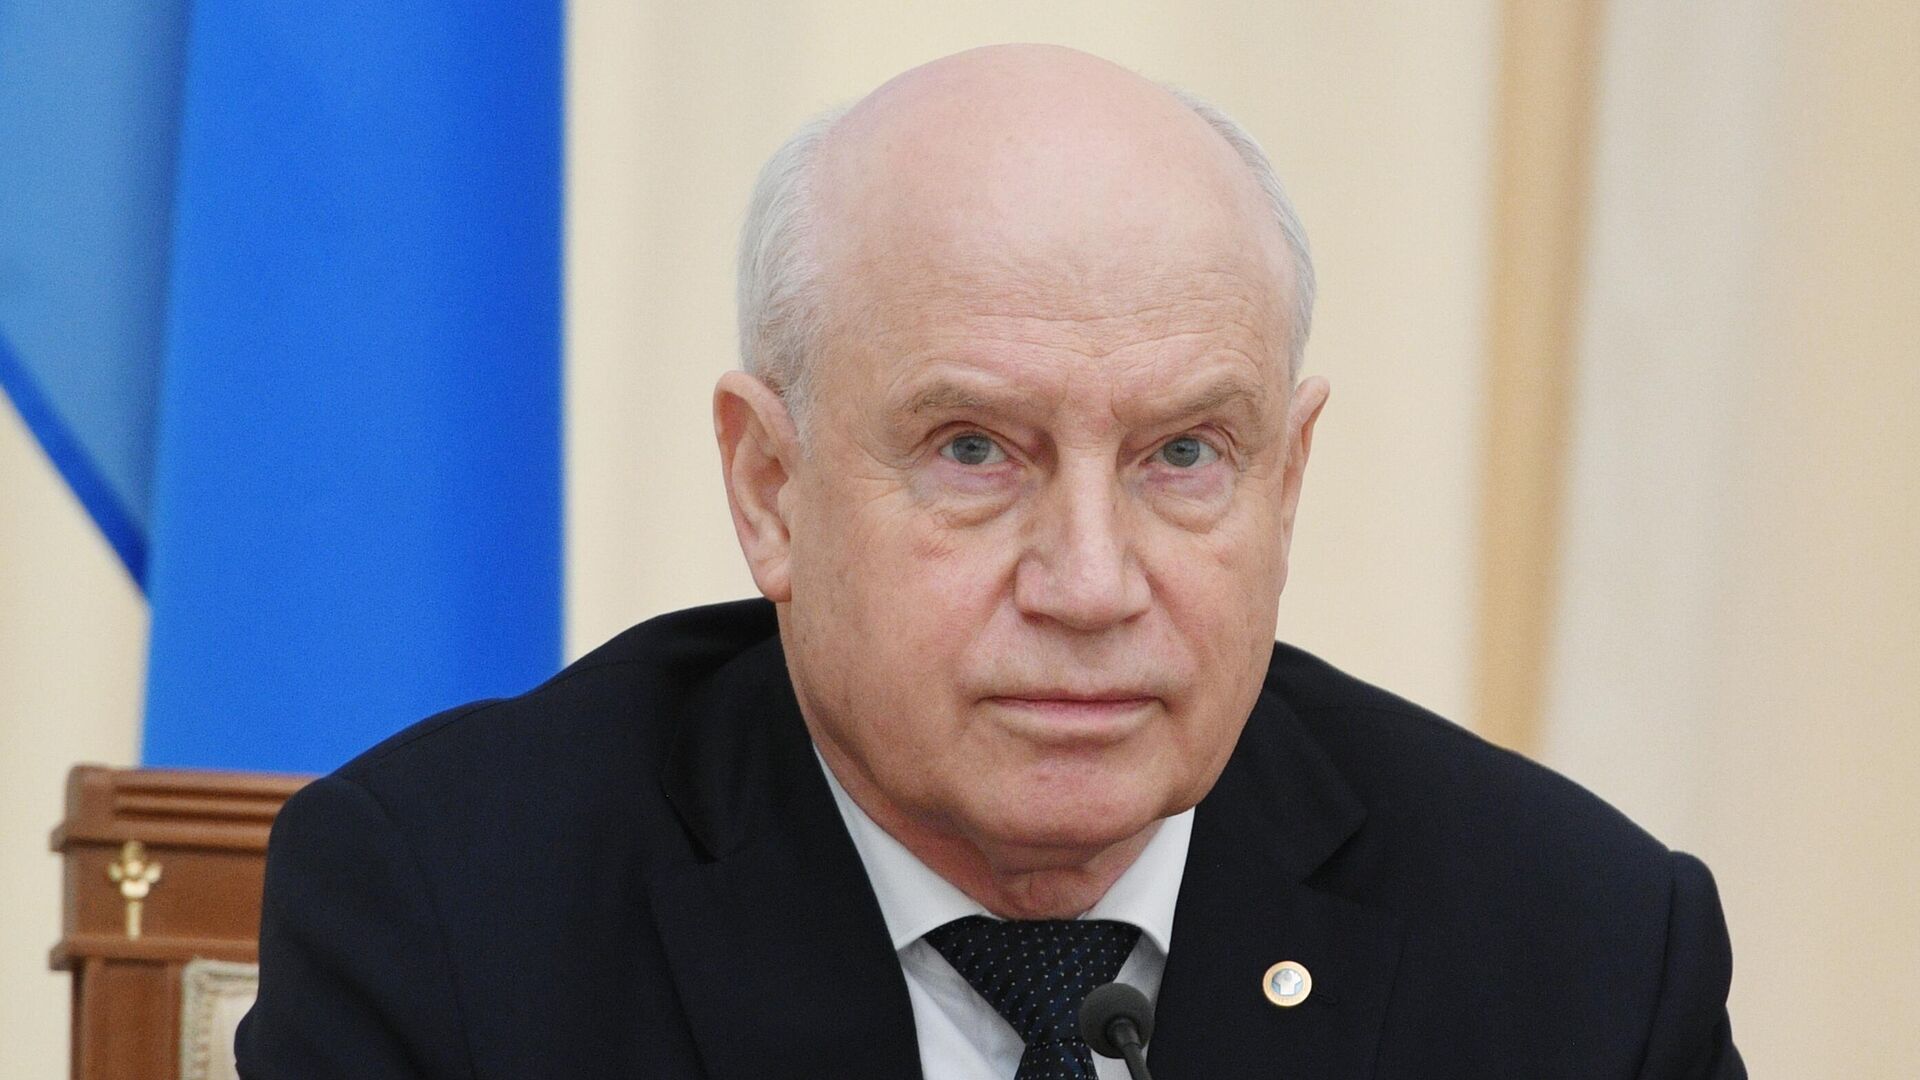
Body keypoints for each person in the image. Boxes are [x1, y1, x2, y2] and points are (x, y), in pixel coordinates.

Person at [236, 45, 1743, 1079]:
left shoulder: (1580, 956)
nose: (1090, 584)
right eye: (975, 450)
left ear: (1286, 486)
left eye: (1182, 455)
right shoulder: (454, 921)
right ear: (769, 489)